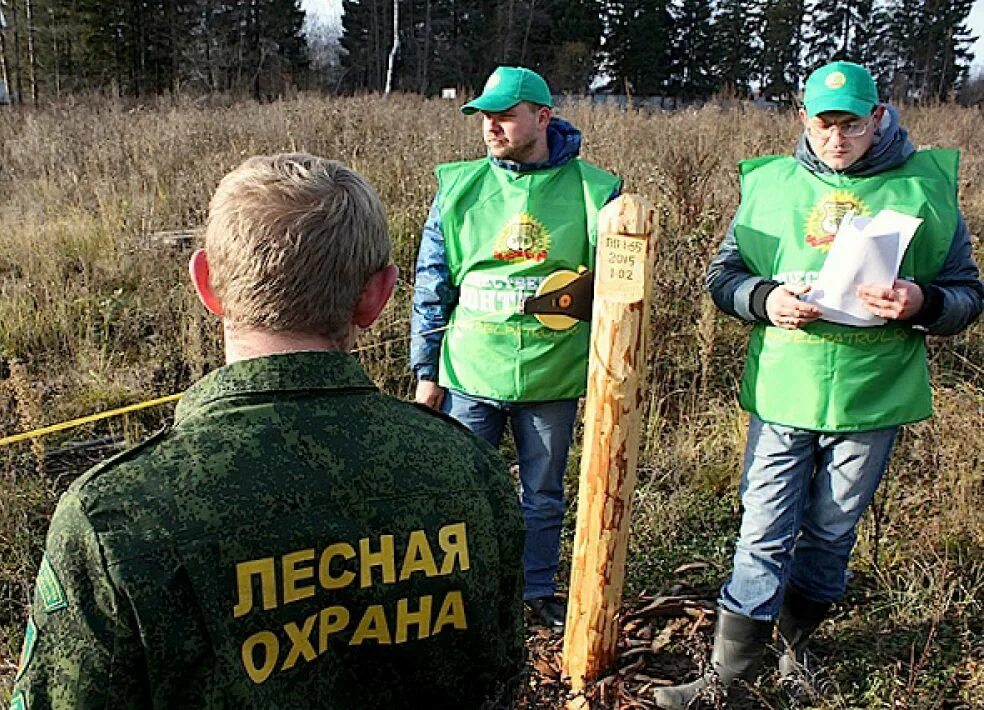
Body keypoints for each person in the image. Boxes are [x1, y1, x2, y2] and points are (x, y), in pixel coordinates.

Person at [12, 154, 525, 709]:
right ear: (377, 296)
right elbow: (498, 677)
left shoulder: (115, 517)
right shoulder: (471, 470)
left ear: (208, 284)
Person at [655, 61, 983, 708]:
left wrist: (921, 300)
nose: (838, 137)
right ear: (804, 119)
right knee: (764, 528)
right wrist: (765, 298)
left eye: (852, 123)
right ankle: (728, 677)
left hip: (873, 393)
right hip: (786, 389)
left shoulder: (926, 187)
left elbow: (969, 293)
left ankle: (796, 650)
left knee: (832, 532)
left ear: (879, 117)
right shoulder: (772, 186)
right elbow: (724, 276)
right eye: (825, 123)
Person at [409, 66, 621, 630]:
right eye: (483, 115)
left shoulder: (597, 191)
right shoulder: (459, 188)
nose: (490, 126)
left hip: (553, 378)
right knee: (462, 493)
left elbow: (619, 288)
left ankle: (533, 591)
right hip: (469, 374)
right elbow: (433, 284)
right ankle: (464, 595)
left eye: (504, 114)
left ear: (543, 116)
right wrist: (426, 372)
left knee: (542, 494)